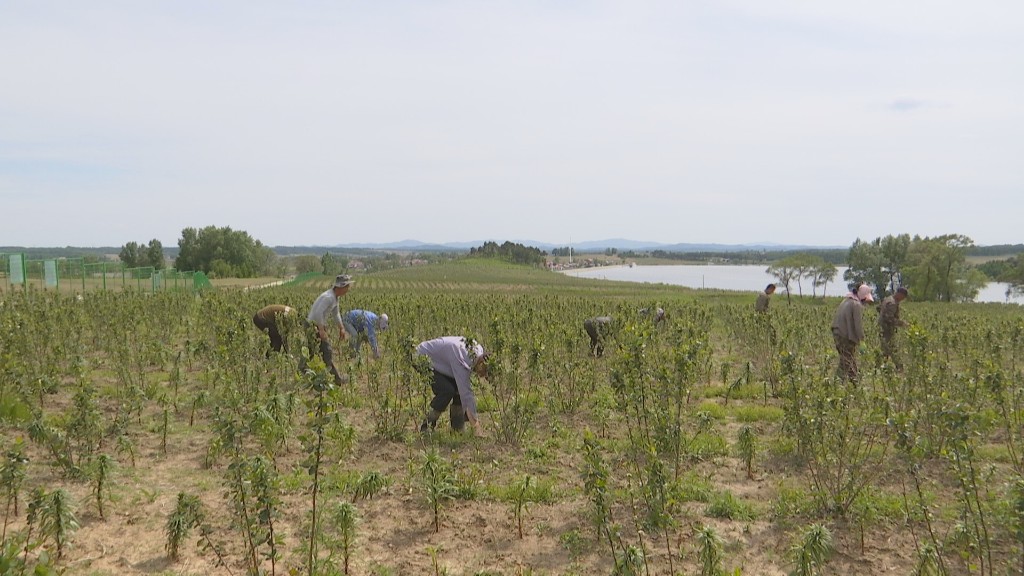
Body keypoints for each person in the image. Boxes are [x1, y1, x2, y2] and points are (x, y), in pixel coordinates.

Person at [415, 336, 489, 434]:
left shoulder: (476, 350)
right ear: (481, 363)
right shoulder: (462, 360)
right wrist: (477, 428)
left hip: (443, 362)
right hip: (422, 357)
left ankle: (457, 430)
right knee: (446, 391)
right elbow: (466, 395)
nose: (484, 376)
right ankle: (426, 428)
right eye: (485, 372)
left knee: (458, 389)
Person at [304, 274, 354, 385]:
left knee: (312, 351)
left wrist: (341, 328)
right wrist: (321, 330)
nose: (348, 289)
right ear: (341, 287)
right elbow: (318, 313)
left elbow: (336, 313)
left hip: (316, 325)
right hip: (313, 325)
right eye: (347, 287)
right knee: (326, 351)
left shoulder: (335, 297)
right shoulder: (329, 297)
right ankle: (336, 379)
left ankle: (305, 374)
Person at [831, 283, 874, 382]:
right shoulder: (856, 304)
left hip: (837, 333)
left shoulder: (846, 300)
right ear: (863, 297)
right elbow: (857, 325)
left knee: (849, 359)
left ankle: (854, 381)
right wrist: (862, 340)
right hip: (845, 335)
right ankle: (836, 383)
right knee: (846, 360)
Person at [878, 287, 909, 368]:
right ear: (900, 294)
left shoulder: (887, 299)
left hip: (882, 328)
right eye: (903, 297)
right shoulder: (892, 303)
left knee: (885, 349)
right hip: (887, 330)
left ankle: (881, 367)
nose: (902, 299)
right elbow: (889, 318)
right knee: (891, 348)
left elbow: (878, 308)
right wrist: (902, 323)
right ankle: (899, 367)